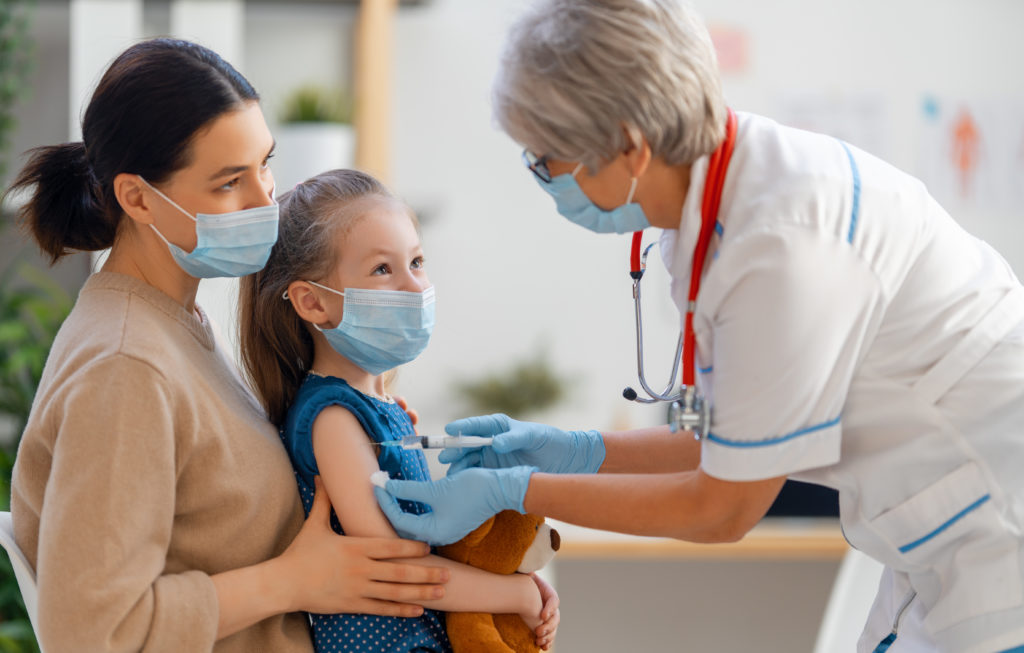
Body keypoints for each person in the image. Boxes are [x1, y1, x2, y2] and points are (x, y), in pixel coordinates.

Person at [373, 1, 1024, 652]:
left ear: (628, 145)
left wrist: (515, 489)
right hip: (938, 530)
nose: (544, 180)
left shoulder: (780, 242)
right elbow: (731, 435)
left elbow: (723, 506)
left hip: (995, 533)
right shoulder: (724, 204)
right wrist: (568, 448)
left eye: (545, 160)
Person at [5, 38, 450, 653]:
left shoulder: (174, 323)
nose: (266, 197)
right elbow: (91, 632)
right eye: (228, 182)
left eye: (264, 163)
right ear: (136, 198)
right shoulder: (125, 365)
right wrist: (293, 582)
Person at [238, 168, 560, 652]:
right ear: (313, 302)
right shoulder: (333, 420)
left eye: (417, 262)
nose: (414, 288)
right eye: (383, 270)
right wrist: (513, 593)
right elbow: (392, 564)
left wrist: (519, 581)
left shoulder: (378, 409)